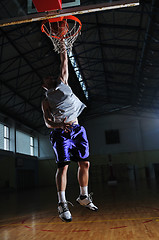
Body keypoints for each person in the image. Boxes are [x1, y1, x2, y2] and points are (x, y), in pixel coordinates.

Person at [41, 42, 98, 222]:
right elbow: (48, 123)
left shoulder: (63, 81)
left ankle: (83, 196)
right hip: (60, 133)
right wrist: (59, 127)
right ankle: (62, 203)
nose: (50, 77)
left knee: (85, 163)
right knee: (63, 166)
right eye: (46, 78)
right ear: (44, 86)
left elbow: (64, 61)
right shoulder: (46, 101)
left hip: (77, 129)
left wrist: (63, 43)